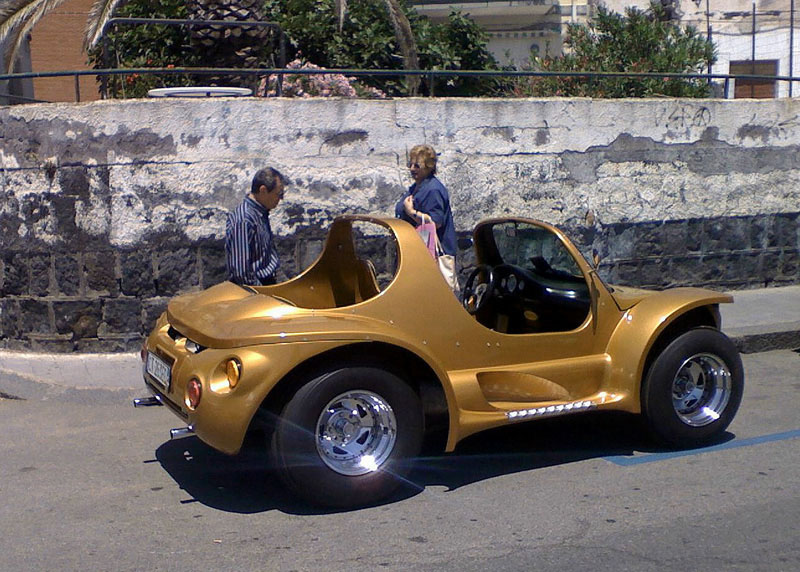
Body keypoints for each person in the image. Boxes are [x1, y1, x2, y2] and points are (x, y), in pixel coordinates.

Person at [395, 144, 458, 289]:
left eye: (417, 166)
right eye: (410, 164)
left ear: (429, 167)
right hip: (417, 253)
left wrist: (411, 212)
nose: (412, 169)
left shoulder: (433, 189)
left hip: (430, 256)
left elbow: (436, 222)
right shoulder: (416, 187)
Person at [225, 167, 287, 286]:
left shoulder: (261, 212)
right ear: (263, 190)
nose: (280, 199)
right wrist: (261, 293)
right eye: (278, 194)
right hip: (256, 288)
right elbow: (241, 273)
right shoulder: (244, 220)